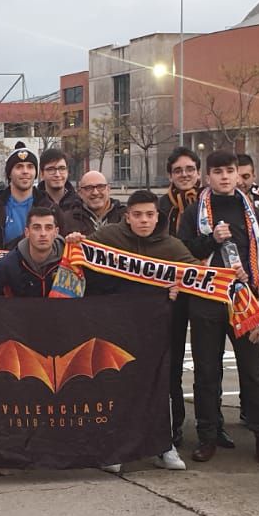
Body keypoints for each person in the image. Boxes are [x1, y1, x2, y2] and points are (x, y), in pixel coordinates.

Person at [66, 189, 193, 471]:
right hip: (117, 325)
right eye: (137, 215)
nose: (144, 221)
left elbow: (199, 276)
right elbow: (83, 253)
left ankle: (164, 446)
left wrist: (179, 288)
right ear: (128, 216)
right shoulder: (110, 236)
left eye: (149, 215)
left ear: (157, 216)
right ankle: (115, 449)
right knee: (117, 385)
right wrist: (75, 241)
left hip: (155, 330)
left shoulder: (172, 247)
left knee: (159, 386)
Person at [177, 150, 259, 466]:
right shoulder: (194, 213)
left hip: (243, 300)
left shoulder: (253, 212)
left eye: (229, 171)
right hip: (206, 300)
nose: (224, 176)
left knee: (253, 373)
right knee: (207, 372)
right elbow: (183, 254)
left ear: (238, 174)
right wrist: (209, 239)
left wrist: (257, 277)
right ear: (207, 177)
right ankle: (208, 436)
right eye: (217, 171)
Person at [158, 146, 201, 447]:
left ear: (198, 173)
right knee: (170, 362)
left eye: (189, 169)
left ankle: (212, 426)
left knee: (206, 361)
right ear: (170, 175)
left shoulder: (210, 204)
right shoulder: (160, 207)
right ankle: (174, 425)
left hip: (202, 292)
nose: (184, 175)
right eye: (178, 171)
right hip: (169, 294)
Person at [0, 144, 39, 249]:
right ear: (9, 173)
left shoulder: (49, 207)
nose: (25, 171)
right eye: (19, 167)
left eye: (30, 166)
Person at [35, 148, 91, 234]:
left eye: (62, 168)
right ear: (42, 174)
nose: (57, 174)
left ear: (67, 171)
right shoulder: (33, 203)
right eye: (51, 169)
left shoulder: (80, 204)